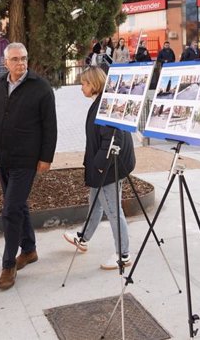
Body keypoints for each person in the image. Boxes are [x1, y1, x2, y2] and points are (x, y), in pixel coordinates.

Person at [0, 42, 58, 290]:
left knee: (11, 210)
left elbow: (50, 126)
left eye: (24, 58)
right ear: (5, 63)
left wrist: (46, 158)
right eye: (15, 59)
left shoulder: (41, 88)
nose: (20, 63)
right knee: (18, 205)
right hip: (2, 159)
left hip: (26, 161)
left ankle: (8, 264)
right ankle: (29, 249)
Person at [62, 66, 136, 269]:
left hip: (109, 168)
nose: (81, 87)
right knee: (95, 201)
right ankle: (83, 238)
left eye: (84, 83)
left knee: (113, 210)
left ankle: (124, 255)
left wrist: (101, 166)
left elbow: (113, 139)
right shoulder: (102, 102)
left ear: (94, 84)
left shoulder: (105, 104)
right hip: (103, 167)